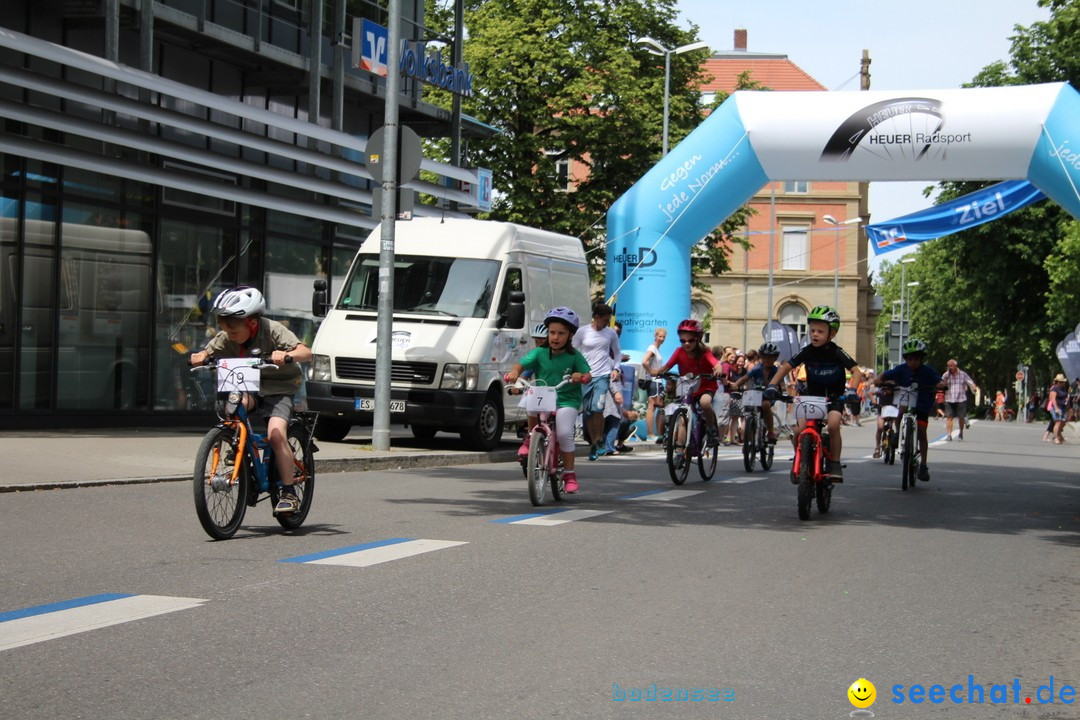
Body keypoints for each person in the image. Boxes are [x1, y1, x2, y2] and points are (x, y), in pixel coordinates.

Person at [190, 286, 313, 515]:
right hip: (251, 386)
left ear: (252, 323)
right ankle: (237, 445)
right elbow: (209, 351)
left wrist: (286, 355)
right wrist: (201, 356)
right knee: (233, 408)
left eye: (234, 331)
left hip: (279, 387)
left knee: (276, 433)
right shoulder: (228, 335)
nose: (229, 335)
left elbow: (306, 352)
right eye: (225, 329)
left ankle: (288, 493)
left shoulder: (273, 330)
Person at [765, 306, 860, 482]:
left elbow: (856, 372)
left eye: (820, 331)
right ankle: (800, 461)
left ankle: (835, 464)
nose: (815, 334)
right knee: (799, 430)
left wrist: (852, 390)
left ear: (831, 334)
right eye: (812, 330)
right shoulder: (807, 350)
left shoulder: (837, 352)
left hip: (834, 396)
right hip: (812, 396)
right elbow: (787, 366)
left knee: (832, 425)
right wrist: (772, 385)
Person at [505, 307, 592, 493]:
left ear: (570, 335)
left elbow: (587, 374)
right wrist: (515, 372)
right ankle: (530, 438)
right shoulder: (540, 353)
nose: (555, 337)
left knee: (564, 433)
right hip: (544, 394)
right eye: (552, 332)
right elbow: (521, 364)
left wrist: (581, 376)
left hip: (566, 400)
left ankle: (569, 474)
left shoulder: (575, 356)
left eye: (561, 333)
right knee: (530, 398)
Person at [874, 338, 944, 482]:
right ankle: (897, 433)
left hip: (922, 403)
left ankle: (923, 465)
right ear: (906, 359)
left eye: (916, 359)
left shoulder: (927, 371)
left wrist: (941, 384)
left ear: (921, 359)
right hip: (906, 399)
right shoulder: (901, 369)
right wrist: (879, 379)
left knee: (922, 433)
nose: (913, 362)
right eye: (910, 359)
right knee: (902, 410)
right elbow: (886, 374)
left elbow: (939, 380)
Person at [650, 319, 723, 449]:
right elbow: (666, 367)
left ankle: (711, 430)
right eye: (683, 341)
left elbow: (715, 363)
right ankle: (679, 449)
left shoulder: (705, 352)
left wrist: (718, 369)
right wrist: (655, 372)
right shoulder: (679, 352)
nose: (686, 343)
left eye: (690, 340)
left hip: (706, 386)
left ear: (698, 339)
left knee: (705, 403)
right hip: (688, 387)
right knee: (682, 417)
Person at [573, 302, 621, 461]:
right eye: (605, 320)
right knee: (588, 411)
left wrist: (616, 368)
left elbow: (617, 353)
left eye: (608, 320)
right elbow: (573, 351)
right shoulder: (582, 332)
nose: (607, 323)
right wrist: (575, 370)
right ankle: (594, 442)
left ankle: (599, 440)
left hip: (603, 375)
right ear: (596, 317)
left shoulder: (611, 334)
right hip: (586, 376)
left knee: (598, 407)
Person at [732, 341, 781, 442]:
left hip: (769, 395)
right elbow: (745, 377)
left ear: (775, 358)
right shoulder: (757, 368)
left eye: (770, 357)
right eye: (765, 357)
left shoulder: (776, 371)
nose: (767, 360)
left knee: (766, 405)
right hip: (756, 394)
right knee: (749, 410)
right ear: (761, 357)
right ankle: (749, 435)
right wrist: (736, 384)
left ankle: (770, 431)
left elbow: (780, 384)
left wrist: (779, 392)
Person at [640, 327, 668, 441]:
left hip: (658, 381)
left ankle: (657, 433)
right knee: (652, 407)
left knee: (659, 407)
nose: (661, 339)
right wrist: (651, 371)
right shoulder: (652, 348)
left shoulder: (656, 349)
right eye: (660, 336)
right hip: (654, 381)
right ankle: (651, 434)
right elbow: (644, 361)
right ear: (655, 336)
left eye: (663, 337)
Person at [941, 359, 978, 440]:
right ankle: (949, 435)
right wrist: (945, 382)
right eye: (948, 367)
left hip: (961, 399)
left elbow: (970, 382)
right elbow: (941, 385)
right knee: (949, 417)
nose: (950, 369)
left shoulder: (963, 374)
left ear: (955, 366)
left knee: (961, 417)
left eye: (951, 367)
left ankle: (961, 433)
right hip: (949, 399)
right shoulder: (946, 375)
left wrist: (974, 387)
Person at [1048, 373, 1069, 444]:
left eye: (1063, 382)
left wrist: (1067, 407)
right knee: (1058, 422)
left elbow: (1065, 397)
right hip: (1055, 407)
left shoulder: (1063, 389)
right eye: (1061, 382)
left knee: (1063, 422)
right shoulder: (1054, 388)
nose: (1062, 383)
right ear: (1057, 382)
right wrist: (1056, 408)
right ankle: (1056, 438)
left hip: (1063, 407)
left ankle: (1058, 434)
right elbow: (1053, 399)